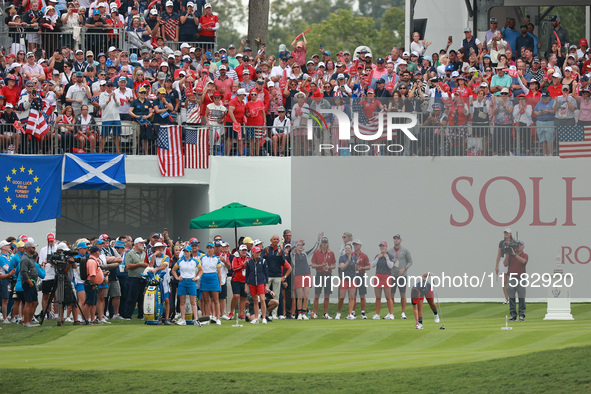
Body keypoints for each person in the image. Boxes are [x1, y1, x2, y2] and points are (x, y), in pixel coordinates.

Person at [171, 245, 202, 326]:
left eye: (187, 251)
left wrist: (197, 277)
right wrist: (177, 277)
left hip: (191, 281)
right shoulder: (180, 261)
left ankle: (196, 319)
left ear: (190, 252)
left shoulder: (194, 261)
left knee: (193, 302)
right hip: (183, 281)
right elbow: (173, 270)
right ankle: (183, 319)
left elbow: (201, 270)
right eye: (184, 251)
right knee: (182, 302)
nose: (186, 253)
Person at [262, 235, 290, 320]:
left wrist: (281, 253)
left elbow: (282, 262)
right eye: (274, 239)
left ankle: (274, 314)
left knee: (276, 296)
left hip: (277, 275)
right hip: (268, 275)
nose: (275, 240)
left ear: (278, 241)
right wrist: (266, 254)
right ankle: (261, 312)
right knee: (264, 294)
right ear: (271, 240)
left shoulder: (280, 250)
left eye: (277, 239)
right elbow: (262, 260)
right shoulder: (267, 249)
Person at [122, 237, 147, 320]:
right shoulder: (130, 254)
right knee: (132, 298)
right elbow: (128, 266)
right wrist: (140, 264)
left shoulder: (144, 253)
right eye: (141, 243)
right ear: (136, 244)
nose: (143, 245)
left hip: (143, 278)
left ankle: (141, 315)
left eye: (143, 243)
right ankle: (128, 315)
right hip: (134, 279)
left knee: (141, 298)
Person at [310, 236, 335, 319]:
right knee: (317, 294)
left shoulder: (331, 253)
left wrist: (329, 267)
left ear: (327, 243)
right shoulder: (317, 253)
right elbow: (313, 265)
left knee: (327, 295)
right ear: (321, 243)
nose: (324, 244)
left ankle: (325, 313)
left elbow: (334, 265)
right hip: (319, 274)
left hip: (328, 275)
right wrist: (321, 265)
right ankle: (315, 313)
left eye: (326, 243)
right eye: (323, 242)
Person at [504, 240, 528, 321]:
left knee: (521, 297)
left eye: (520, 245)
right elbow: (505, 264)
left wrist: (515, 255)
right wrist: (508, 254)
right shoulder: (510, 255)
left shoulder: (525, 255)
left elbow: (523, 261)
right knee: (512, 297)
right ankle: (513, 315)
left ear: (523, 246)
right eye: (518, 245)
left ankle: (521, 314)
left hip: (521, 278)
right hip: (511, 277)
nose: (519, 247)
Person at [245, 246, 269, 324]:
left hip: (260, 282)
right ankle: (256, 318)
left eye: (259, 252)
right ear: (253, 253)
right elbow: (247, 274)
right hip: (252, 283)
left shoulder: (263, 261)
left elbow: (266, 273)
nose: (258, 254)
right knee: (255, 300)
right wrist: (246, 285)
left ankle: (264, 317)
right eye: (257, 252)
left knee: (262, 299)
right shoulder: (249, 262)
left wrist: (266, 284)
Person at [371, 241, 394, 320]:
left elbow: (391, 266)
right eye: (380, 246)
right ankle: (377, 314)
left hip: (386, 276)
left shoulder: (390, 256)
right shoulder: (377, 256)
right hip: (378, 276)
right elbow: (372, 265)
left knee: (388, 297)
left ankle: (391, 314)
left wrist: (387, 257)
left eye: (383, 246)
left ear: (386, 247)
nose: (382, 248)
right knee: (378, 297)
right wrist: (378, 258)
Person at [391, 234, 412, 319]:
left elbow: (410, 262)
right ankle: (391, 312)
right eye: (395, 239)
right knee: (391, 294)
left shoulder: (405, 250)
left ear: (401, 240)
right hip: (392, 275)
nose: (396, 240)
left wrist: (404, 269)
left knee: (402, 294)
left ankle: (403, 312)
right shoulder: (390, 251)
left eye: (398, 239)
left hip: (402, 276)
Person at [200, 242, 222, 325]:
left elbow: (219, 273)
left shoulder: (217, 259)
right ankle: (206, 318)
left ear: (213, 249)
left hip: (213, 278)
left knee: (216, 300)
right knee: (206, 300)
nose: (209, 249)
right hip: (205, 278)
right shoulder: (202, 258)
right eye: (208, 248)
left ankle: (218, 318)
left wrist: (219, 284)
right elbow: (200, 269)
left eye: (211, 248)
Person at [83, 245, 106, 324]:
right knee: (89, 302)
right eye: (99, 251)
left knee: (93, 303)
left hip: (93, 284)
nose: (99, 253)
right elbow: (92, 275)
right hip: (91, 284)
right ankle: (86, 319)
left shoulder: (94, 260)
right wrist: (93, 285)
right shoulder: (92, 261)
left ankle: (92, 319)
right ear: (96, 252)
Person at [20, 239, 40, 327]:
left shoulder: (29, 257)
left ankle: (29, 320)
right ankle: (26, 322)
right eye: (33, 247)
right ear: (28, 248)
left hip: (32, 282)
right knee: (28, 302)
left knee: (35, 302)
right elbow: (23, 272)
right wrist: (29, 281)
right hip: (28, 282)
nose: (34, 248)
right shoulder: (25, 259)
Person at [336, 243, 358, 320]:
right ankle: (338, 312)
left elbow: (356, 269)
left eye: (349, 248)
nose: (347, 249)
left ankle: (350, 313)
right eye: (346, 248)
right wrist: (348, 261)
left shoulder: (355, 258)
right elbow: (342, 268)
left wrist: (357, 264)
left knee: (352, 297)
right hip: (344, 279)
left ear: (351, 249)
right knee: (342, 297)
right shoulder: (342, 258)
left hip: (352, 279)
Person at [230, 244, 249, 319]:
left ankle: (241, 314)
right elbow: (234, 268)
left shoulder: (249, 259)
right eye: (242, 250)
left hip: (244, 280)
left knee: (243, 297)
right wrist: (242, 264)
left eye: (245, 250)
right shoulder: (236, 258)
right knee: (236, 295)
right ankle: (231, 312)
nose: (244, 252)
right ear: (239, 251)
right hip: (236, 280)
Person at [495, 228, 514, 304]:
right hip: (503, 261)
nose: (506, 234)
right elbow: (499, 254)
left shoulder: (513, 242)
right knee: (504, 281)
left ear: (510, 234)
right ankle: (507, 298)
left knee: (512, 281)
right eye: (505, 233)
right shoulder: (501, 243)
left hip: (511, 260)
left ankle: (512, 298)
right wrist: (496, 266)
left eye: (507, 233)